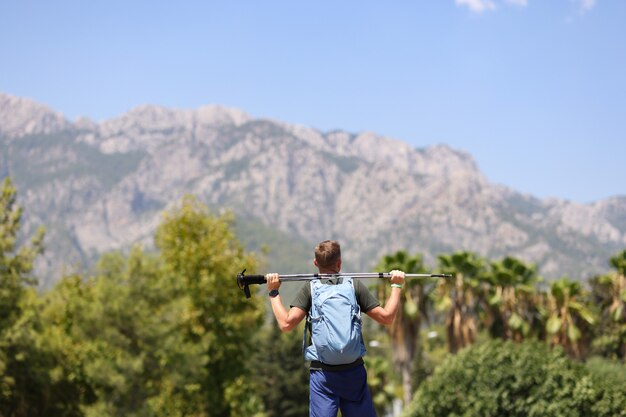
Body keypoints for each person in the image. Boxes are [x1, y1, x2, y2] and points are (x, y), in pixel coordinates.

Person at [265, 240, 405, 417]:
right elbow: (387, 318)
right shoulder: (353, 286)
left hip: (323, 376)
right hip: (353, 372)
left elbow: (286, 324)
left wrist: (273, 292)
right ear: (339, 263)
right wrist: (397, 285)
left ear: (316, 263)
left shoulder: (310, 288)